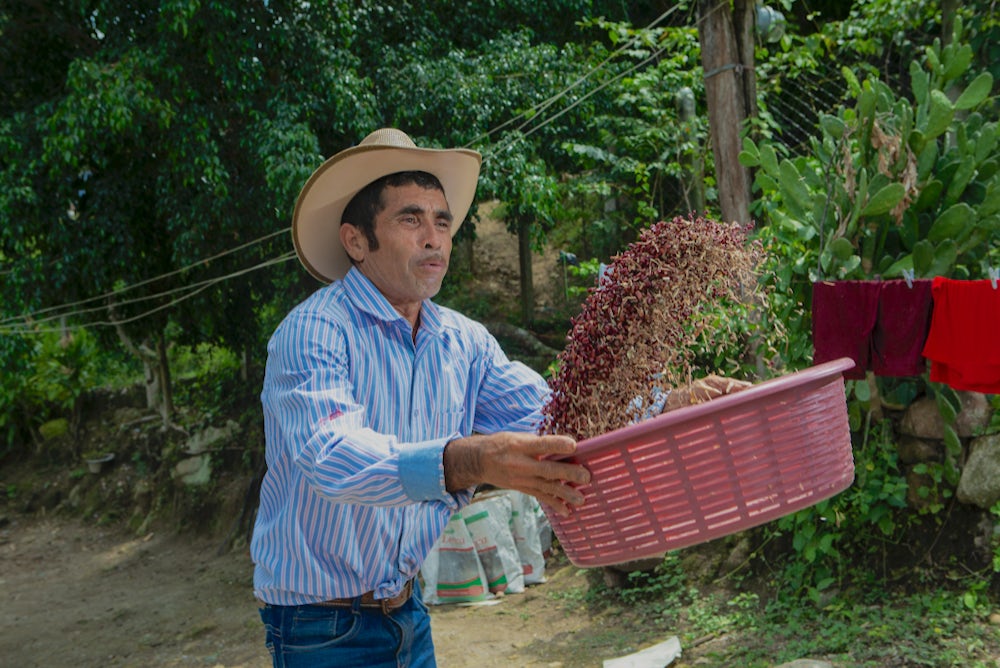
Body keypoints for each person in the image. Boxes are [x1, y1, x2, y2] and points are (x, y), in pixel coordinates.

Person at [250, 128, 592, 668]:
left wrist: (661, 405)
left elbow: (555, 415)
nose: (433, 238)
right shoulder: (314, 331)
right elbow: (331, 457)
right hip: (320, 626)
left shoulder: (462, 341)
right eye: (410, 219)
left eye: (442, 221)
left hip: (409, 610)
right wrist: (470, 459)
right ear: (357, 241)